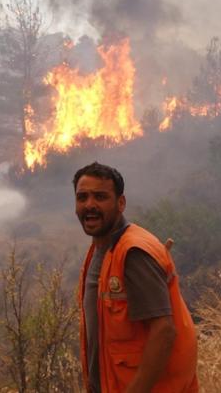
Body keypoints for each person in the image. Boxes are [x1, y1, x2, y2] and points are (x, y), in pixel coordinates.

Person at [74, 162, 198, 393]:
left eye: (100, 197)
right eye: (82, 197)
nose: (89, 204)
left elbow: (164, 332)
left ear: (120, 203)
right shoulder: (99, 251)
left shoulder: (133, 253)